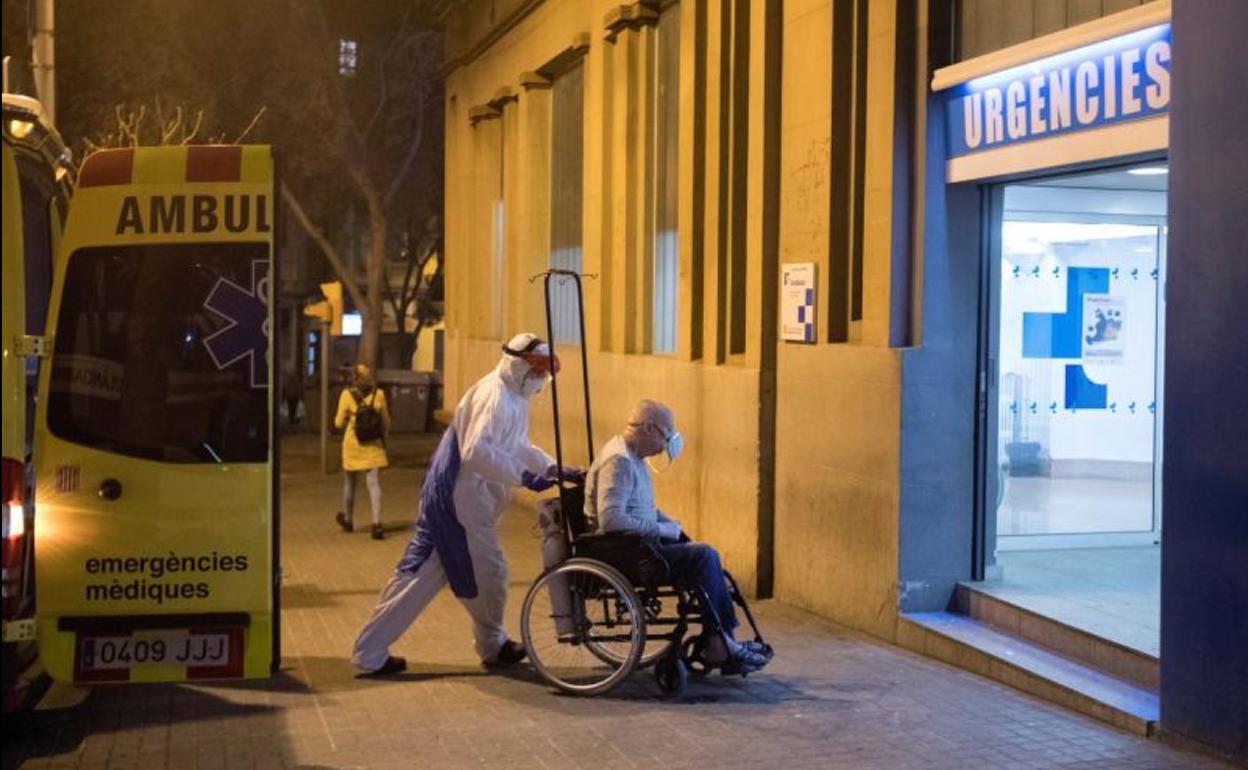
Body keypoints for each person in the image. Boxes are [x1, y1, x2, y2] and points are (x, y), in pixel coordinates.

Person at [351, 333, 577, 676]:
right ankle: (486, 645)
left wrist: (550, 466)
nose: (542, 380)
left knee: (421, 575)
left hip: (460, 502)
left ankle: (376, 651)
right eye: (539, 372)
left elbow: (515, 445)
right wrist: (526, 477)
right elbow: (476, 451)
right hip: (457, 503)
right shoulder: (494, 395)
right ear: (520, 366)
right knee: (485, 573)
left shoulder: (513, 398)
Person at [585, 399, 771, 673]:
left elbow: (640, 507)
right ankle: (720, 643)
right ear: (649, 429)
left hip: (636, 547)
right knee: (704, 556)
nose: (668, 443)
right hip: (624, 554)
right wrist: (661, 530)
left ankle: (723, 639)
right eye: (666, 434)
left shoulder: (634, 456)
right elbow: (612, 520)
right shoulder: (620, 461)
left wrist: (666, 521)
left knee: (707, 558)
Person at [334, 364, 391, 540]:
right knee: (373, 484)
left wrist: (347, 420)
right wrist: (384, 441)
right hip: (373, 446)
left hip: (353, 445)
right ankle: (377, 524)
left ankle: (349, 520)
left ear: (355, 378)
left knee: (350, 483)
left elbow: (337, 423)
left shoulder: (346, 395)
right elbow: (386, 422)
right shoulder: (379, 395)